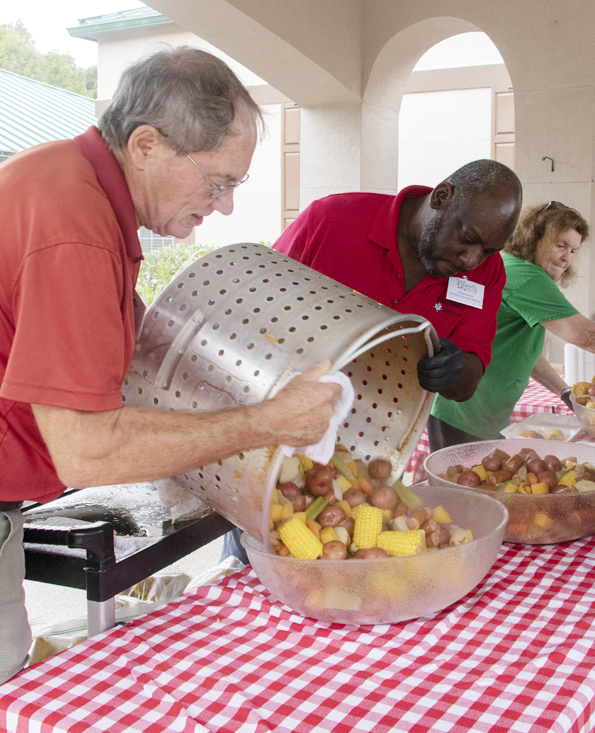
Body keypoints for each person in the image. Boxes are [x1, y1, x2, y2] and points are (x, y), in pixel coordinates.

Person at [0, 47, 342, 685]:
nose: (226, 206)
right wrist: (266, 421)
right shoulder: (73, 224)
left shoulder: (73, 186)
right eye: (219, 182)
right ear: (147, 145)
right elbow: (90, 452)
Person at [220, 159, 523, 563]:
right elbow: (259, 312)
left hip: (374, 454)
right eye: (467, 239)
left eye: (488, 251)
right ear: (442, 196)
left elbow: (466, 383)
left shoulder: (487, 274)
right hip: (276, 441)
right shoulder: (332, 220)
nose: (471, 260)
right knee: (252, 561)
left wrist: (453, 367)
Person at [430, 201, 595, 448]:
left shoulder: (512, 266)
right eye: (560, 246)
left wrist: (565, 393)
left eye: (573, 250)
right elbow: (588, 337)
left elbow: (522, 353)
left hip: (468, 411)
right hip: (467, 414)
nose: (566, 259)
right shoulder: (528, 278)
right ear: (534, 239)